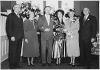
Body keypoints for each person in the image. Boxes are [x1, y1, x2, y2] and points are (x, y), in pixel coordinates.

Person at [6, 4, 24, 69]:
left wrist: (22, 36)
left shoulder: (20, 16)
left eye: (18, 7)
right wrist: (11, 36)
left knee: (18, 52)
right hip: (14, 37)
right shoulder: (10, 16)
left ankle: (17, 64)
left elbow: (21, 28)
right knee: (13, 52)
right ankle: (12, 65)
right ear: (13, 8)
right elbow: (8, 27)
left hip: (19, 37)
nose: (17, 8)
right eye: (16, 7)